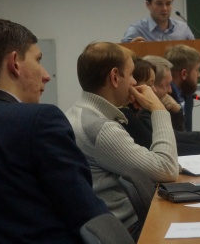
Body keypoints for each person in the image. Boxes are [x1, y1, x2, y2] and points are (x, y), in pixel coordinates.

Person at [0, 17, 124, 243]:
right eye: (38, 60)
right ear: (14, 63)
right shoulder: (41, 121)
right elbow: (88, 215)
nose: (46, 75)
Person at [65, 42, 179, 241]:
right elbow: (167, 169)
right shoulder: (101, 128)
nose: (134, 82)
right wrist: (159, 109)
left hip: (115, 226)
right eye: (132, 74)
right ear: (115, 77)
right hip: (128, 229)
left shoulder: (78, 113)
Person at [119, 57, 200, 155]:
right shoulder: (130, 115)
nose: (154, 90)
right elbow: (166, 146)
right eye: (150, 84)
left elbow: (174, 137)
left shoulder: (138, 111)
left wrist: (176, 110)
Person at [121, 0, 195, 43]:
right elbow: (123, 53)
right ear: (148, 5)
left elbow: (196, 51)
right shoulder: (137, 30)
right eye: (159, 4)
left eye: (168, 3)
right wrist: (133, 47)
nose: (164, 8)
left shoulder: (183, 28)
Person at [164, 44, 200, 132]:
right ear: (184, 74)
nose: (199, 74)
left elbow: (187, 133)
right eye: (197, 70)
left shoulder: (188, 96)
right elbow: (175, 135)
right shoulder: (165, 98)